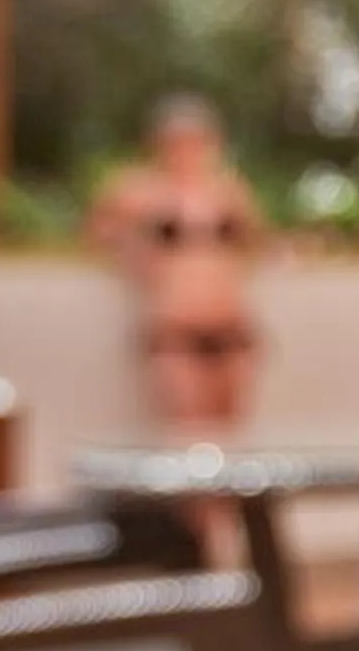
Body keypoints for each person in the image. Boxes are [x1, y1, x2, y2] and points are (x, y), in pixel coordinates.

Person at [89, 95, 265, 429]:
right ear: (158, 144)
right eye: (178, 141)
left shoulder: (229, 191)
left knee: (232, 439)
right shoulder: (138, 190)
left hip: (230, 328)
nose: (187, 150)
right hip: (177, 332)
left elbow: (256, 242)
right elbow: (98, 232)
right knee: (186, 437)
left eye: (197, 141)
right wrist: (136, 248)